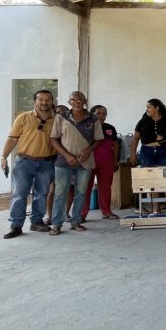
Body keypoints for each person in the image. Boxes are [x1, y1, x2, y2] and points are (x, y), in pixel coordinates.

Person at [0, 89, 56, 239]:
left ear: (52, 101)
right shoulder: (23, 118)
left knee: (42, 194)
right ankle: (16, 225)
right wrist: (3, 157)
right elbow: (12, 139)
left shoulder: (57, 119)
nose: (44, 102)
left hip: (47, 162)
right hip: (24, 162)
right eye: (41, 99)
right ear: (34, 102)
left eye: (47, 99)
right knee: (20, 194)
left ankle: (36, 221)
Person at [49, 90, 103, 235]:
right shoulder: (61, 117)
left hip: (85, 162)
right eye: (74, 100)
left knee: (81, 192)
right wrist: (67, 155)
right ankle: (56, 223)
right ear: (69, 102)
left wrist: (88, 150)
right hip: (64, 161)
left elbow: (99, 139)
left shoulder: (93, 119)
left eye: (80, 100)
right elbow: (53, 139)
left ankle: (76, 221)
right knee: (60, 193)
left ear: (85, 102)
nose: (77, 103)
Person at [130, 98, 166, 215]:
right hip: (147, 152)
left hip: (165, 151)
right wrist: (132, 154)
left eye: (149, 107)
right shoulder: (143, 121)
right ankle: (156, 208)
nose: (147, 109)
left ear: (157, 107)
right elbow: (136, 138)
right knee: (152, 180)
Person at [81, 104, 120, 222]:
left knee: (106, 187)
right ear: (91, 114)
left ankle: (106, 212)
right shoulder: (86, 126)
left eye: (104, 114)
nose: (101, 116)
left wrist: (115, 161)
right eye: (98, 113)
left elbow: (115, 145)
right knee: (85, 187)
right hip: (89, 161)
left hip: (106, 162)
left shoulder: (110, 128)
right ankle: (82, 214)